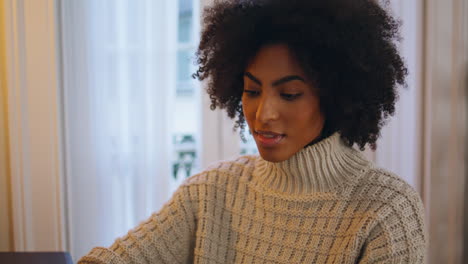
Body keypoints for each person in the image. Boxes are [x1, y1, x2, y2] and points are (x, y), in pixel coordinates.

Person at [78, 0, 427, 263]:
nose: (263, 114)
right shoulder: (211, 192)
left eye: (289, 94)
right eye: (252, 91)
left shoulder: (386, 210)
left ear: (337, 97)